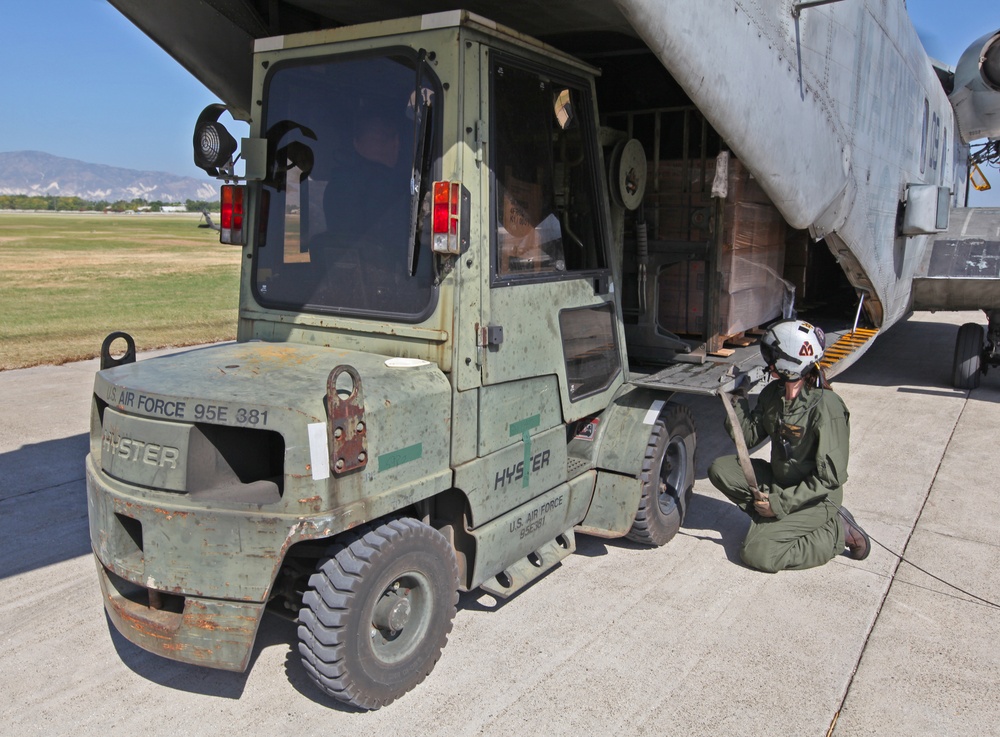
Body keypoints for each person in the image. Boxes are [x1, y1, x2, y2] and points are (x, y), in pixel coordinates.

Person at [708, 319, 871, 572]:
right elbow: (749, 437)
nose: (767, 362)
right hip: (780, 482)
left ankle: (838, 530)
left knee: (757, 553)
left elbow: (829, 480)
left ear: (789, 362)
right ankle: (775, 524)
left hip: (816, 499)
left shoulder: (827, 408)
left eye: (772, 356)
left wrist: (779, 504)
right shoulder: (774, 394)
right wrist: (736, 398)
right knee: (721, 469)